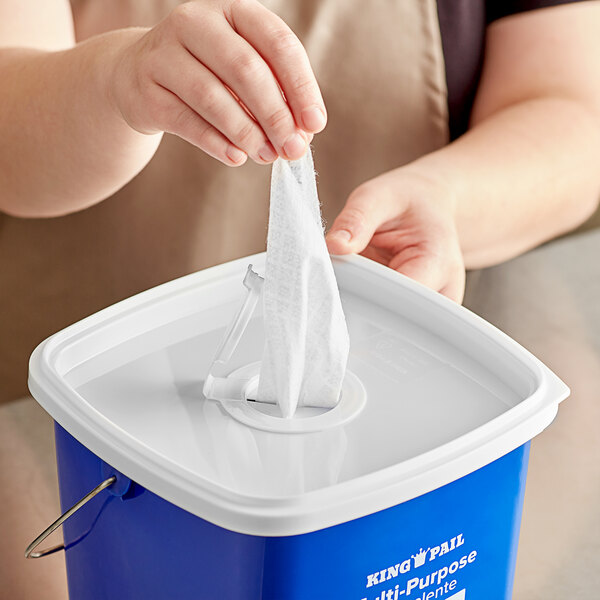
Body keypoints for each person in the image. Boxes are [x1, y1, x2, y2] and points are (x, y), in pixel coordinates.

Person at [0, 0, 599, 597]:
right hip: (97, 420)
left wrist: (446, 199)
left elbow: (570, 114)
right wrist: (117, 80)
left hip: (402, 404)